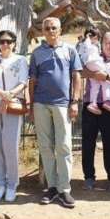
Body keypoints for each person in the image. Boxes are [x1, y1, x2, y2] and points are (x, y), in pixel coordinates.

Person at [29, 17, 82, 208]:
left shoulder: (70, 50)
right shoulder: (36, 54)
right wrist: (31, 105)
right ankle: (51, 187)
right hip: (41, 104)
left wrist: (74, 101)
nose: (51, 31)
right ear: (43, 31)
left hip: (63, 104)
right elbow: (32, 81)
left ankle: (64, 189)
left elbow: (77, 76)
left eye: (54, 28)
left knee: (64, 147)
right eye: (47, 28)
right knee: (46, 147)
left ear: (60, 30)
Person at [0, 30, 29, 202]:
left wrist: (7, 97)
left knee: (10, 145)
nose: (5, 44)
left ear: (14, 43)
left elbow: (23, 82)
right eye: (2, 41)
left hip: (13, 106)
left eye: (9, 41)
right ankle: (0, 183)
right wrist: (2, 95)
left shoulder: (21, 60)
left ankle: (12, 184)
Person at [81, 32, 110, 193]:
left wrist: (106, 76)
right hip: (90, 105)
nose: (109, 46)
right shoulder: (94, 57)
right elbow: (81, 72)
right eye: (106, 43)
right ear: (102, 44)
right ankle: (88, 176)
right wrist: (96, 74)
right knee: (88, 142)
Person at [78, 28, 110, 115]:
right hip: (93, 62)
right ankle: (107, 101)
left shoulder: (86, 45)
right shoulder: (88, 44)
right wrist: (87, 38)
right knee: (106, 81)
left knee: (95, 85)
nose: (96, 40)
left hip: (88, 64)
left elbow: (80, 52)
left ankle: (93, 103)